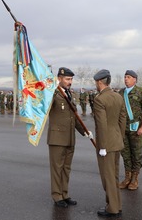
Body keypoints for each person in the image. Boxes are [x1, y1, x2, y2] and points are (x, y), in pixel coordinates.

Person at [47, 67, 93, 208]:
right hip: (57, 138)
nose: (70, 82)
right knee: (57, 169)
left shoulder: (69, 94)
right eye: (67, 79)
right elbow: (45, 108)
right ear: (59, 79)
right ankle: (57, 196)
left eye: (71, 79)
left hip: (69, 138)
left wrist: (84, 131)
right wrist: (49, 90)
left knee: (66, 168)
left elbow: (73, 116)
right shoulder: (53, 93)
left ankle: (65, 194)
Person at [92, 69, 126, 218]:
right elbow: (122, 119)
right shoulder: (118, 96)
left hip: (106, 143)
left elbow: (102, 124)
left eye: (96, 83)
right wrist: (120, 137)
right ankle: (116, 205)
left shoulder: (100, 99)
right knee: (115, 176)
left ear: (100, 82)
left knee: (108, 176)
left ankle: (112, 208)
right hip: (117, 140)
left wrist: (103, 146)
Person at [118, 70, 142, 190]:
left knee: (136, 154)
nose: (126, 79)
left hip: (136, 128)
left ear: (135, 79)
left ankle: (135, 178)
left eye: (128, 77)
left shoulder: (141, 92)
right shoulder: (120, 93)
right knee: (125, 154)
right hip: (123, 129)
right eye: (125, 77)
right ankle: (127, 177)